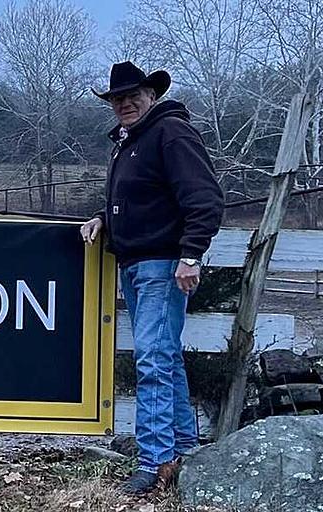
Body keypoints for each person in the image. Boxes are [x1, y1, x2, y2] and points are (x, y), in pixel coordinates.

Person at [81, 61, 224, 495]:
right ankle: (182, 447)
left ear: (152, 95)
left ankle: (154, 461)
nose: (124, 103)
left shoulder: (171, 133)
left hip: (163, 265)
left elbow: (205, 198)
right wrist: (106, 218)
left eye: (133, 95)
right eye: (117, 99)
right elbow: (147, 197)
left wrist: (191, 254)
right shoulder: (132, 141)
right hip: (137, 263)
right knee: (164, 356)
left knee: (152, 361)